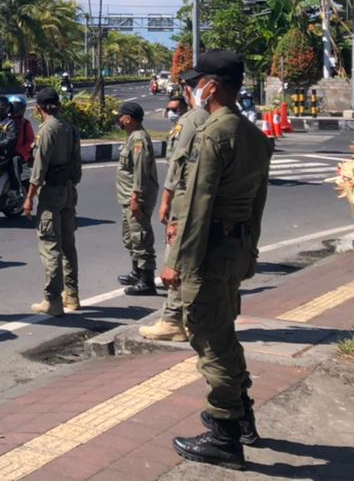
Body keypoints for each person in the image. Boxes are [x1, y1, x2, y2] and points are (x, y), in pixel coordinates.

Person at [163, 51, 272, 470]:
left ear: (214, 84)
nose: (193, 89)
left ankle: (225, 435)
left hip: (207, 253)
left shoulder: (214, 134)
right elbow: (257, 205)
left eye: (198, 82)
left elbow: (196, 207)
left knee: (210, 341)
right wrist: (251, 252)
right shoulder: (252, 134)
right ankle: (242, 417)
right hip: (235, 249)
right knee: (224, 332)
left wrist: (176, 262)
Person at [140, 89, 209, 342]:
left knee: (176, 260)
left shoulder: (192, 120)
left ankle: (172, 321)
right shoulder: (225, 119)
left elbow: (178, 164)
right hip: (207, 200)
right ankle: (192, 319)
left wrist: (167, 200)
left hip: (186, 198)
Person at [22, 86, 82, 316]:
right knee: (68, 244)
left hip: (52, 191)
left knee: (50, 245)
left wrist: (30, 197)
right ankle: (72, 295)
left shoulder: (47, 130)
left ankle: (53, 299)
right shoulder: (69, 128)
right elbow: (77, 164)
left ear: (38, 108)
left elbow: (39, 168)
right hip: (68, 189)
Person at [114, 100, 159, 296]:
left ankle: (147, 280)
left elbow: (140, 171)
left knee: (140, 237)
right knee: (130, 236)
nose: (118, 120)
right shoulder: (132, 136)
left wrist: (135, 197)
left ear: (129, 118)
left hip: (136, 198)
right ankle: (137, 272)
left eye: (120, 116)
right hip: (128, 198)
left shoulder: (139, 139)